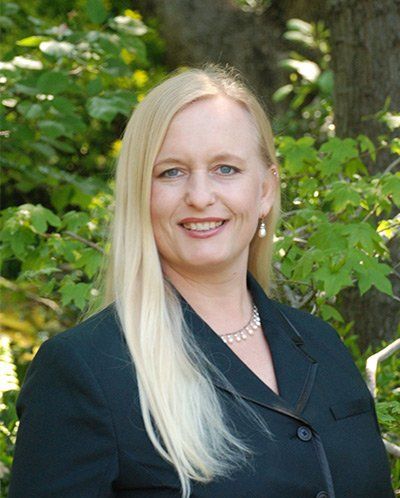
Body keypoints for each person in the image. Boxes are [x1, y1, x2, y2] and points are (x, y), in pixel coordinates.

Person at [9, 65, 394, 498]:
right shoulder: (83, 370)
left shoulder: (322, 345)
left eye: (226, 169)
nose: (199, 195)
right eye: (171, 172)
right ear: (140, 193)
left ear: (266, 190)